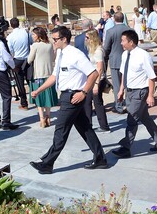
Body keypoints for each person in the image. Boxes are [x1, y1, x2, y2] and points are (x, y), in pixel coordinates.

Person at [29, 26, 108, 174]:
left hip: (73, 97)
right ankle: (100, 158)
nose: (53, 42)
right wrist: (39, 90)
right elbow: (54, 77)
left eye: (55, 39)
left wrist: (84, 93)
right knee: (85, 129)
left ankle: (47, 163)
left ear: (64, 39)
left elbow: (93, 73)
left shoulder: (75, 54)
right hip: (65, 95)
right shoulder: (61, 53)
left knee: (60, 130)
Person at [112, 30, 157, 158]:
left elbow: (151, 76)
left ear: (131, 42)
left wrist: (150, 95)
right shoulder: (125, 55)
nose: (121, 43)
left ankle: (125, 147)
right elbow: (124, 74)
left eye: (123, 41)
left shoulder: (143, 55)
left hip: (140, 92)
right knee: (144, 118)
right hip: (129, 92)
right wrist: (121, 90)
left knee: (132, 119)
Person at [26, 27, 57, 127]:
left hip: (37, 74)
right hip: (49, 74)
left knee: (39, 97)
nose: (32, 36)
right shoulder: (49, 45)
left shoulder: (35, 46)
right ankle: (48, 117)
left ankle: (42, 119)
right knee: (48, 97)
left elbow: (29, 60)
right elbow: (53, 58)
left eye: (34, 34)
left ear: (38, 35)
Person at [84, 29, 110, 132]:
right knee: (88, 101)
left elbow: (99, 68)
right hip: (93, 78)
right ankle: (89, 124)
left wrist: (96, 84)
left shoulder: (98, 51)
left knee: (96, 102)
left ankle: (103, 126)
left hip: (97, 79)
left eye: (87, 37)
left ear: (92, 38)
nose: (85, 39)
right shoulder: (92, 49)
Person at [103, 11, 128, 114]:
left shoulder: (110, 31)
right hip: (127, 60)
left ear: (114, 19)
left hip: (115, 60)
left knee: (117, 84)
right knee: (128, 82)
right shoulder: (129, 30)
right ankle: (129, 103)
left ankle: (119, 105)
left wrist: (105, 58)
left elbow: (106, 47)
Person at [7, 17, 32, 110]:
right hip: (28, 59)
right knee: (30, 81)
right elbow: (31, 43)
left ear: (11, 25)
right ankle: (37, 101)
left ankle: (24, 103)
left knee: (20, 83)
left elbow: (10, 50)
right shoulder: (26, 32)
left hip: (17, 60)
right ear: (18, 23)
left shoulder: (10, 37)